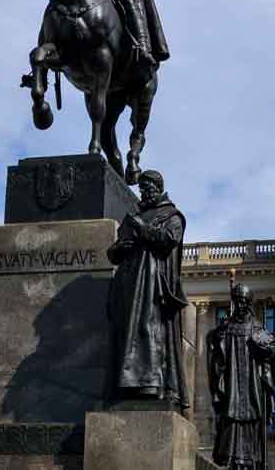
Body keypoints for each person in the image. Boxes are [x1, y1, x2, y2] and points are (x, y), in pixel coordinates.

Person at [106, 169, 189, 407]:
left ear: (158, 187)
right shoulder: (133, 215)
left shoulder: (172, 215)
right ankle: (126, 384)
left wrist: (142, 228)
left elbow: (167, 240)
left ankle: (151, 383)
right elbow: (112, 253)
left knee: (149, 329)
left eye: (147, 188)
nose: (143, 192)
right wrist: (122, 246)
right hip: (129, 283)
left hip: (154, 284)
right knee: (126, 333)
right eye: (141, 188)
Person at [207, 284, 275, 469]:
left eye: (245, 301)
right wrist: (217, 337)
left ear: (249, 303)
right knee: (230, 419)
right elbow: (214, 349)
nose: (241, 305)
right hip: (232, 384)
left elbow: (270, 354)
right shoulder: (226, 328)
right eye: (238, 301)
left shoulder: (257, 327)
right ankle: (228, 458)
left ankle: (252, 460)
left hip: (252, 384)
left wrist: (267, 348)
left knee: (252, 417)